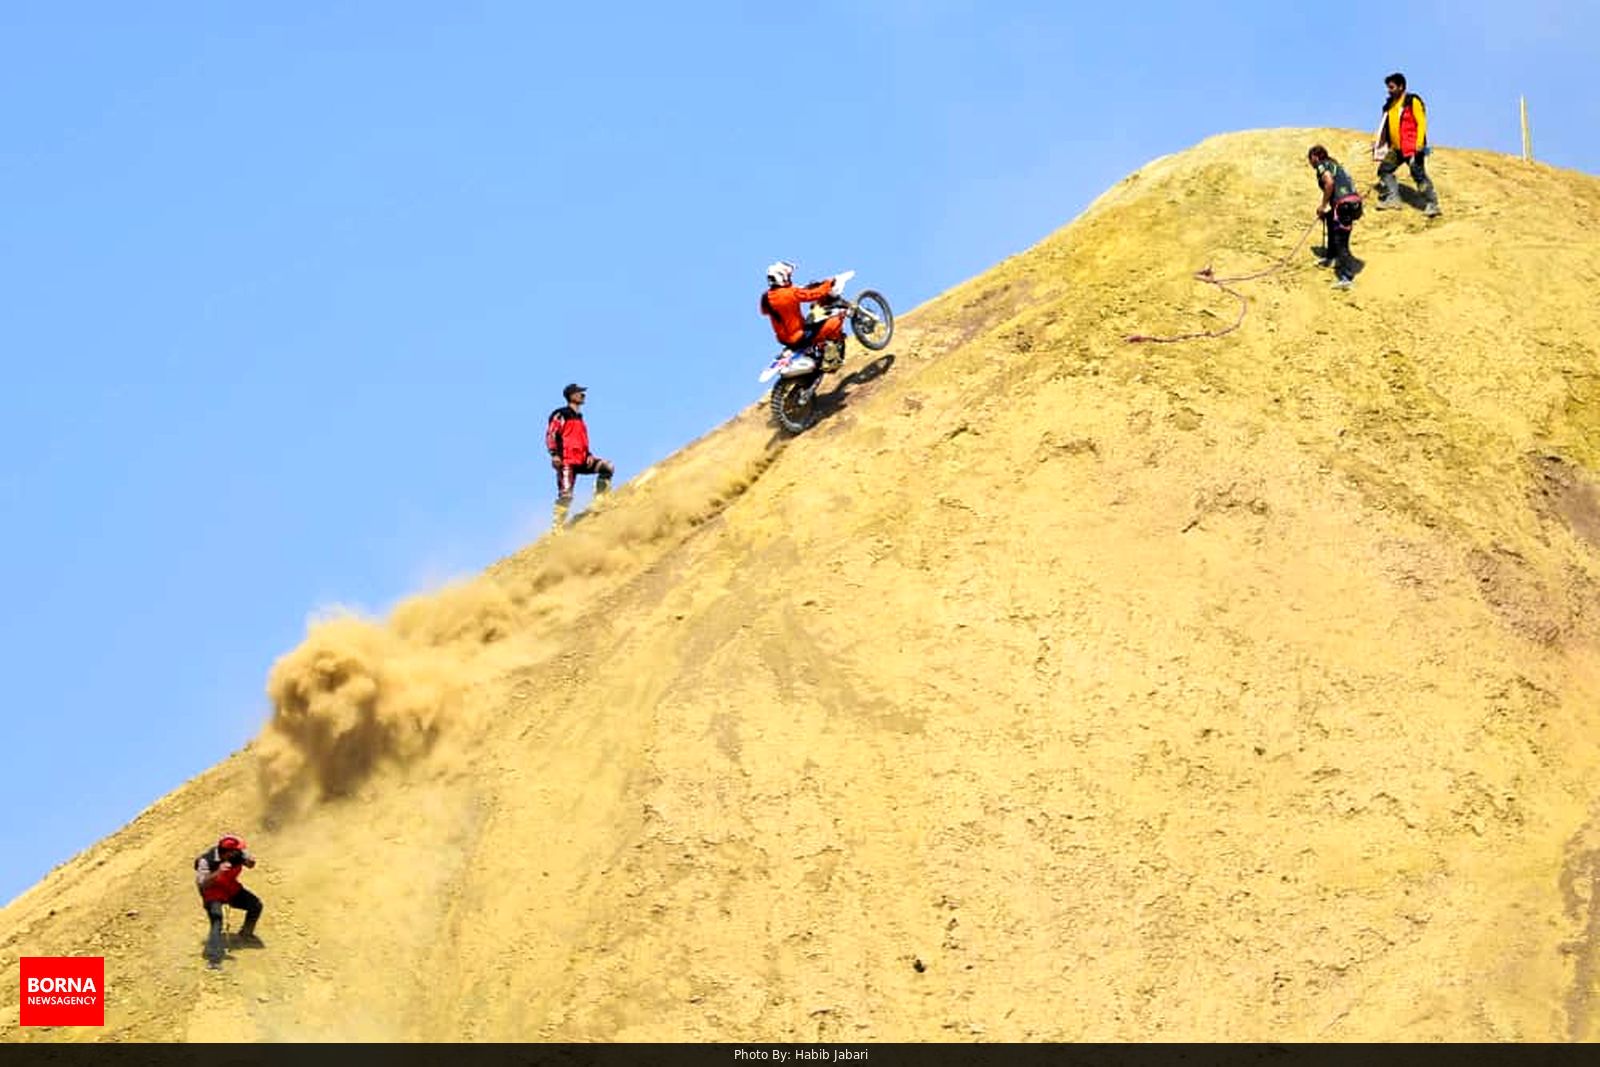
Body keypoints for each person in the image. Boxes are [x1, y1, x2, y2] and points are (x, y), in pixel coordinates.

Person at [545, 383, 614, 531]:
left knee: (607, 467)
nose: (583, 395)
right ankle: (557, 527)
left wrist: (588, 454)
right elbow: (551, 434)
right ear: (571, 395)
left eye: (583, 393)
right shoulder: (561, 414)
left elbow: (581, 439)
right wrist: (554, 454)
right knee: (566, 495)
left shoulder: (580, 418)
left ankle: (600, 500)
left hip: (582, 459)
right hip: (566, 461)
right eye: (580, 392)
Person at [1373, 72, 1441, 217]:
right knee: (1384, 170)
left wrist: (1419, 144)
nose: (1389, 90)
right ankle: (1393, 198)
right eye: (1388, 88)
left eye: (1391, 87)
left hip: (1412, 148)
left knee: (1419, 175)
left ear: (1401, 86)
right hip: (1396, 149)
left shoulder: (1412, 101)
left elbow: (1421, 122)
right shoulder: (1390, 105)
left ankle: (1432, 204)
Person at [760, 261, 846, 369]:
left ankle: (817, 351)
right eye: (789, 276)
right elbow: (815, 294)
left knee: (811, 318)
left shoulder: (766, 298)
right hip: (799, 336)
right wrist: (829, 283)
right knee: (836, 320)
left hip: (784, 339)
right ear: (782, 277)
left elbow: (765, 310)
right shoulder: (791, 293)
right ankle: (831, 359)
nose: (790, 278)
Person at [195, 834, 263, 967]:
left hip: (231, 888)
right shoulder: (205, 861)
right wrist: (218, 872)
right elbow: (202, 884)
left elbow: (251, 863)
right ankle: (213, 959)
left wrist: (250, 862)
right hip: (212, 893)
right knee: (217, 919)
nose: (240, 852)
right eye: (236, 850)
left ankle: (246, 934)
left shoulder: (239, 854)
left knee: (256, 905)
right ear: (226, 853)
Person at [1309, 145, 1363, 290]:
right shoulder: (1336, 166)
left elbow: (1329, 183)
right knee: (1331, 223)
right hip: (1353, 203)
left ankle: (1347, 278)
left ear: (1315, 157)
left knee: (1341, 241)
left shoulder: (1322, 165)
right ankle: (1331, 257)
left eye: (1310, 159)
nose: (1310, 163)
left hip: (1343, 205)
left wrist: (1323, 205)